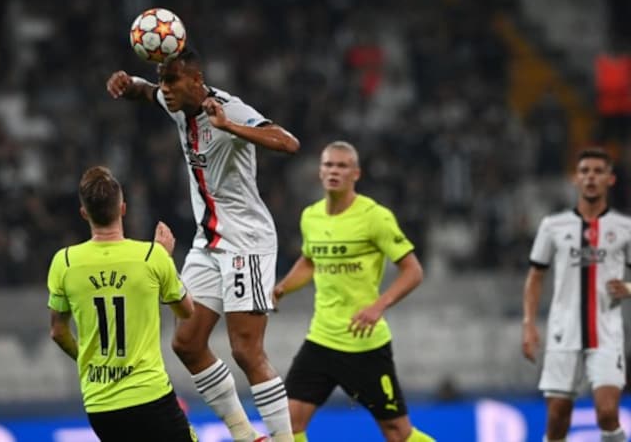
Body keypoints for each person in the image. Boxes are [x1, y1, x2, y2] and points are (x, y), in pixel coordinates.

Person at [106, 48, 300, 442]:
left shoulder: (230, 107)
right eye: (162, 81)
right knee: (187, 342)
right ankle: (246, 436)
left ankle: (286, 440)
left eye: (172, 81)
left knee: (246, 351)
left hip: (246, 242)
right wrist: (127, 86)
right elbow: (145, 92)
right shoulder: (175, 101)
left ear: (196, 81)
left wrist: (230, 127)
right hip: (209, 241)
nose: (165, 90)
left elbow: (288, 142)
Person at [273, 141, 434, 442]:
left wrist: (379, 306)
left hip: (364, 346)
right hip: (321, 339)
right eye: (328, 165)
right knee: (287, 424)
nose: (334, 171)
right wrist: (282, 288)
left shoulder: (375, 217)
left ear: (356, 174)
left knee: (398, 433)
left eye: (342, 166)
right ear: (319, 172)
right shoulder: (311, 216)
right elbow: (310, 261)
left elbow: (413, 271)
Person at [47, 165, 197, 442]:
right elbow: (186, 311)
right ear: (123, 209)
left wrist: (88, 360)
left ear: (84, 214)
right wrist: (167, 260)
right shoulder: (152, 256)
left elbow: (58, 332)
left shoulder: (64, 262)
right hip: (150, 395)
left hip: (100, 405)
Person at [523, 147, 631, 442]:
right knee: (558, 417)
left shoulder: (625, 229)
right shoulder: (553, 226)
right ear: (575, 179)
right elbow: (535, 276)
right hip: (563, 332)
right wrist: (529, 324)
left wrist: (629, 288)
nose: (591, 178)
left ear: (610, 179)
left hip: (606, 334)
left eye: (598, 172)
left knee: (607, 413)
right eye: (585, 172)